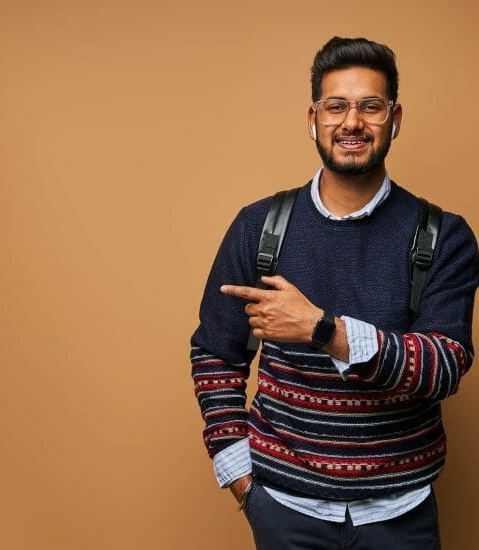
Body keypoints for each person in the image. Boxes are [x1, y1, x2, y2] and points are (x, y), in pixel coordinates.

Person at [190, 36, 479, 549]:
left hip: (402, 516)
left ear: (394, 118)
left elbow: (445, 365)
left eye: (370, 106)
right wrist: (241, 480)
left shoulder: (442, 234)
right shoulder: (260, 227)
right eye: (336, 106)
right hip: (284, 508)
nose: (352, 122)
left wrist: (322, 330)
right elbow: (215, 353)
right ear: (313, 118)